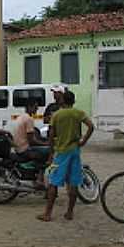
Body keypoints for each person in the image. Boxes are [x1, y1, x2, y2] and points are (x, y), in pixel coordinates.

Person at [37, 90, 94, 222]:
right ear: (73, 101)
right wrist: (83, 141)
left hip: (61, 152)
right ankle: (69, 212)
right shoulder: (78, 113)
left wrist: (51, 153)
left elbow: (51, 135)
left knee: (53, 182)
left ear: (62, 100)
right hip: (75, 151)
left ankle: (48, 213)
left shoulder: (57, 115)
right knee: (73, 182)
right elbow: (91, 126)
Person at [13, 98, 49, 189]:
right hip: (24, 149)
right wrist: (45, 144)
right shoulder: (29, 119)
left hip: (18, 147)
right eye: (35, 108)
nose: (36, 110)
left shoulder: (21, 117)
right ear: (29, 107)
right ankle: (39, 179)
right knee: (46, 153)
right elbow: (32, 140)